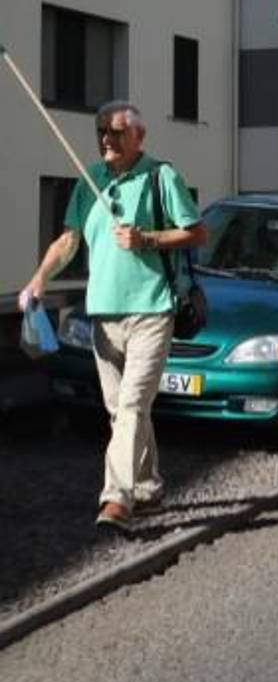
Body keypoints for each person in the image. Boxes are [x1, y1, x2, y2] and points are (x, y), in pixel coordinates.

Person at [20, 102, 207, 533]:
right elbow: (69, 240)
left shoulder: (163, 176)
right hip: (103, 313)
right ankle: (149, 485)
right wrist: (39, 279)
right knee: (121, 412)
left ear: (139, 136)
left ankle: (116, 499)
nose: (106, 138)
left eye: (117, 132)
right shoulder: (90, 181)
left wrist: (147, 239)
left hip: (152, 310)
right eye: (101, 130)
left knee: (132, 405)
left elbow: (197, 232)